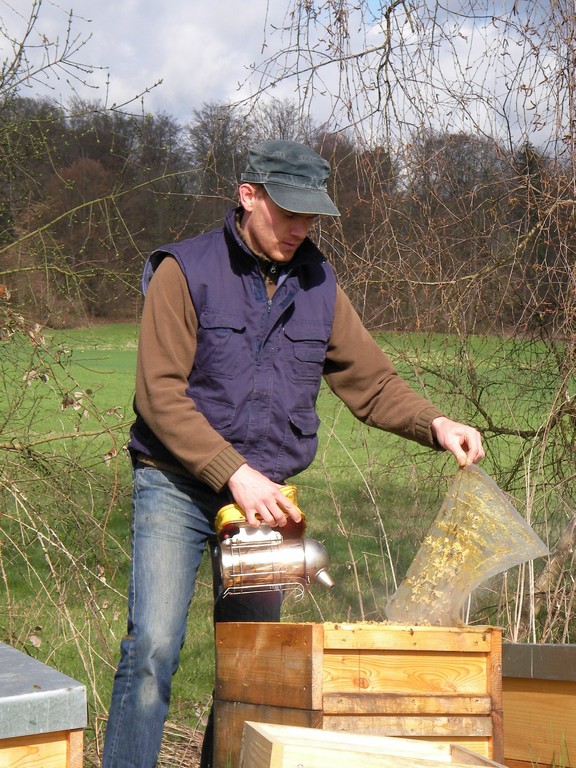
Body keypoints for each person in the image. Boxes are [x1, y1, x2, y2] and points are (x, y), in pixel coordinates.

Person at [102, 139, 484, 768]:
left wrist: (436, 423)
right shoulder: (184, 270)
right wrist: (234, 473)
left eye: (312, 216)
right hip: (174, 485)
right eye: (289, 213)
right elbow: (159, 396)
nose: (301, 229)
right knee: (152, 652)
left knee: (255, 668)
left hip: (265, 503)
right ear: (247, 196)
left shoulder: (318, 283)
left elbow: (373, 382)